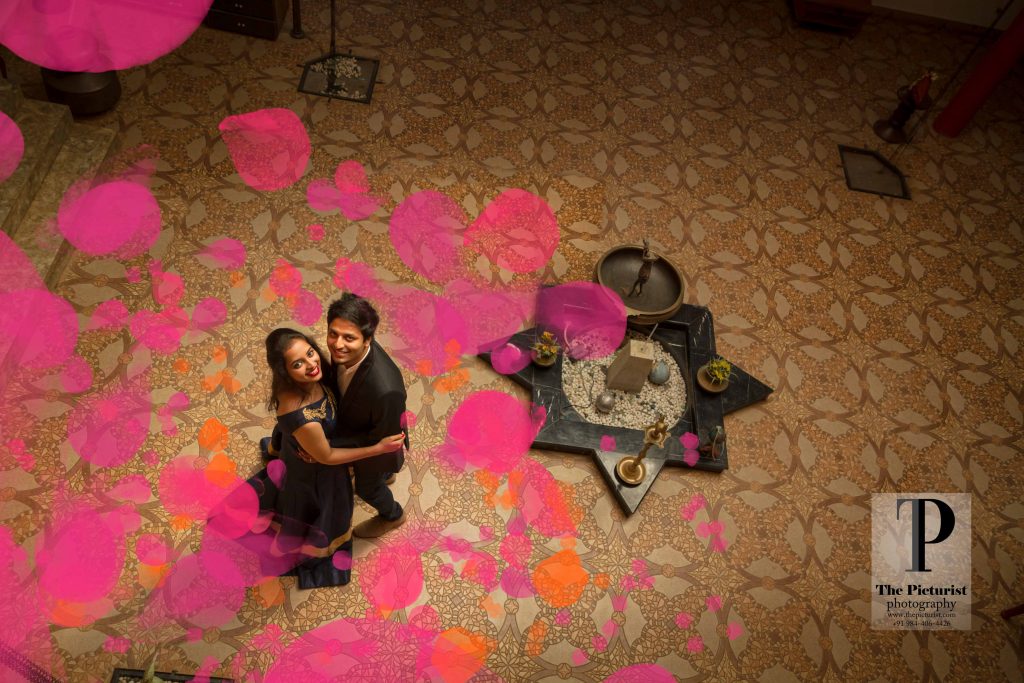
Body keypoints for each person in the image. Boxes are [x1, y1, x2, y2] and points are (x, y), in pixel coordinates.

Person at [249, 328, 404, 589]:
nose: (311, 364)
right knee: (324, 512)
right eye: (298, 364)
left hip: (307, 451)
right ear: (285, 372)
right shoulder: (300, 415)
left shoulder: (317, 376)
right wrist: (377, 449)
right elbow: (329, 456)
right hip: (318, 475)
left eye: (310, 353)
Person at [323, 293, 409, 538]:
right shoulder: (345, 350)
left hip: (381, 442)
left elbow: (384, 441)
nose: (337, 344)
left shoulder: (385, 390)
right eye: (333, 333)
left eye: (348, 338)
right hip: (365, 420)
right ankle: (386, 477)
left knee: (367, 488)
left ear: (367, 339)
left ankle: (393, 514)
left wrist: (331, 447)